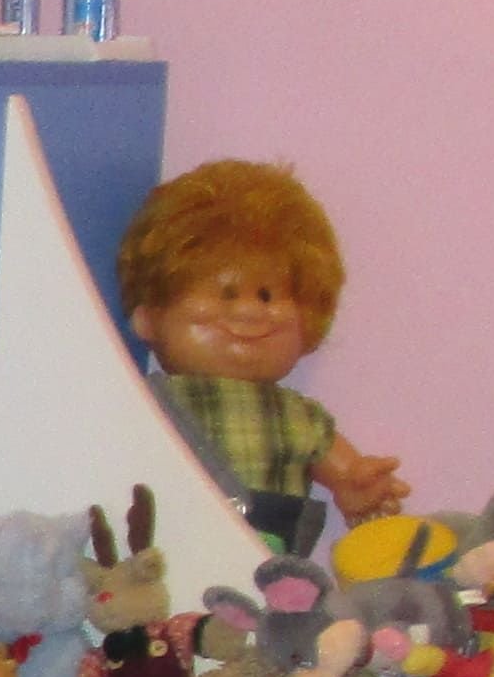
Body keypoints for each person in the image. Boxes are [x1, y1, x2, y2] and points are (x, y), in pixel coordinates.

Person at [115, 160, 398, 551]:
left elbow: (346, 473)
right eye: (226, 294)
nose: (249, 312)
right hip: (172, 555)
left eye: (266, 295)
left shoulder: (300, 418)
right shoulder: (144, 403)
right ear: (149, 317)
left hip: (270, 566)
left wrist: (358, 487)